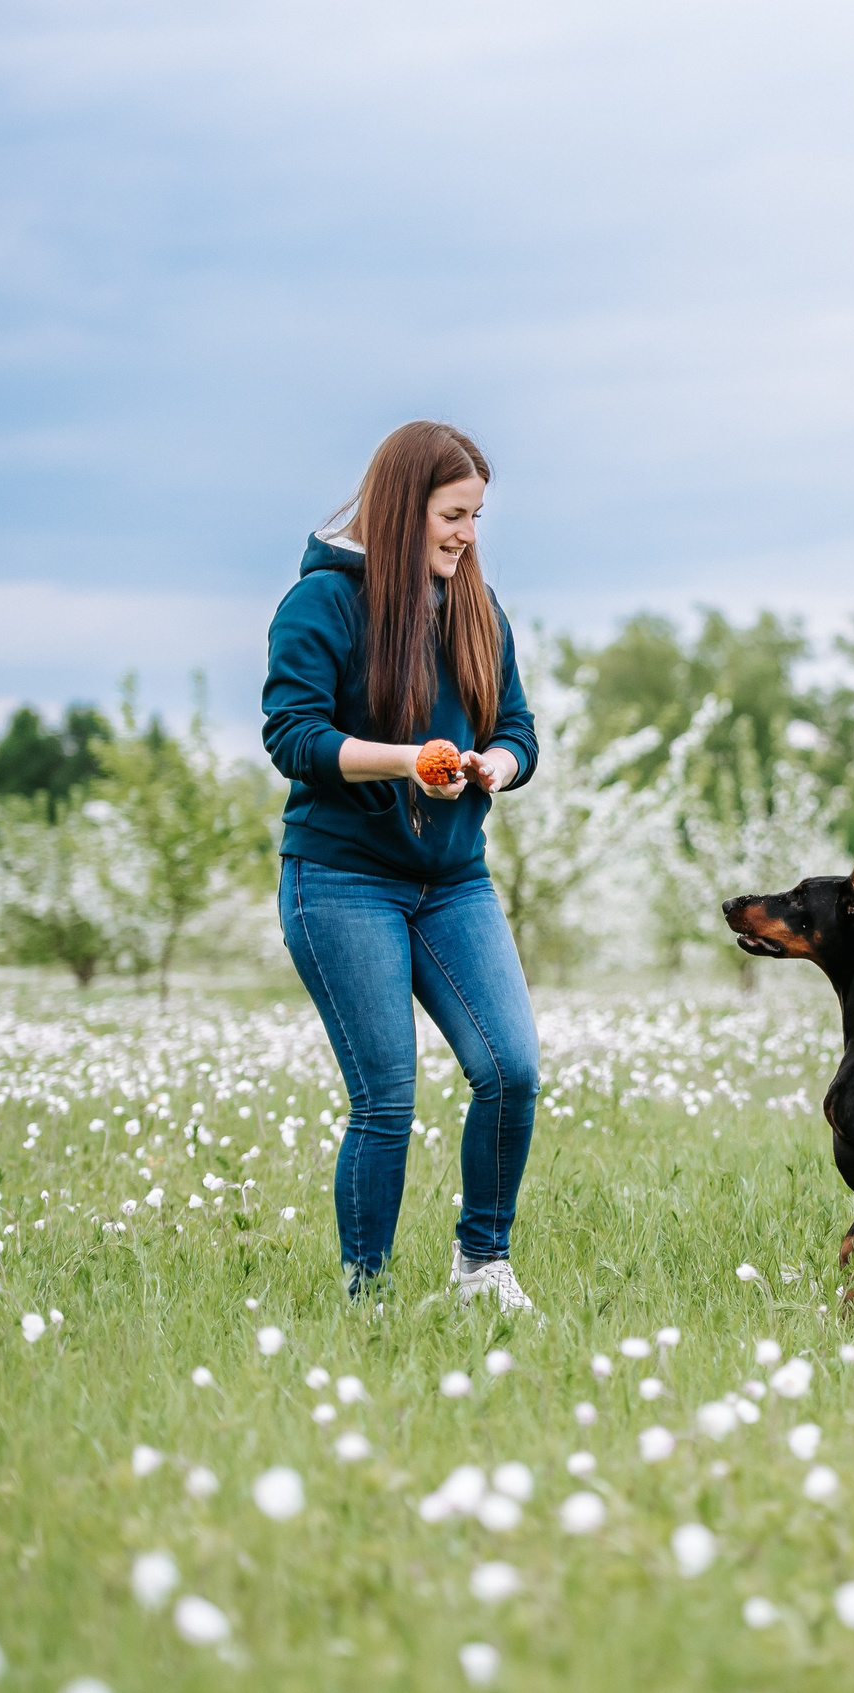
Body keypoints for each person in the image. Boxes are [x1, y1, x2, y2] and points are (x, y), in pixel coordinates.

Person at [262, 420, 543, 1313]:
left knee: (511, 1067)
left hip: (452, 880)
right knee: (386, 1094)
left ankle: (480, 1267)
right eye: (452, 515)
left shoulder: (475, 604)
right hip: (341, 878)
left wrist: (494, 764)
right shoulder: (322, 604)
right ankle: (365, 1297)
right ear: (402, 508)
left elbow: (518, 732)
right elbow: (292, 735)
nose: (467, 534)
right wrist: (406, 758)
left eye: (475, 517)